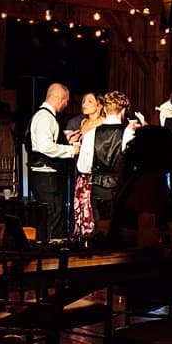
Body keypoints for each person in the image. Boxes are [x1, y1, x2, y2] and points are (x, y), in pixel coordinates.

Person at [27, 83, 80, 240]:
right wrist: (71, 150)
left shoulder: (44, 116)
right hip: (48, 177)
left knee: (50, 217)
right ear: (60, 98)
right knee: (53, 217)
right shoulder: (45, 117)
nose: (66, 105)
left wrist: (65, 138)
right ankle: (53, 257)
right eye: (66, 101)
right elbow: (44, 146)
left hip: (44, 177)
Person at [75, 90, 135, 228]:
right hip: (120, 188)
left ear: (106, 110)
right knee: (119, 230)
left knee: (100, 230)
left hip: (98, 188)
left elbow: (83, 167)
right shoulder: (128, 133)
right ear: (123, 111)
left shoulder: (91, 134)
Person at [67, 93, 105, 237]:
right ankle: (82, 236)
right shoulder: (82, 123)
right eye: (83, 101)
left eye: (89, 101)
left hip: (96, 172)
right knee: (81, 205)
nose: (85, 104)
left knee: (92, 207)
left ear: (99, 105)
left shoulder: (103, 123)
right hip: (81, 170)